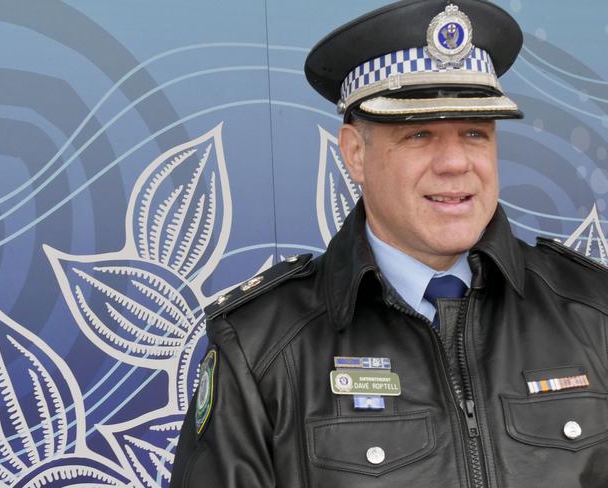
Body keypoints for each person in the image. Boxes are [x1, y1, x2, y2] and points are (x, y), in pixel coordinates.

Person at [170, 1, 608, 487]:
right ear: (356, 154)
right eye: (419, 134)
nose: (455, 163)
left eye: (474, 133)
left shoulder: (594, 311)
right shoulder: (261, 347)